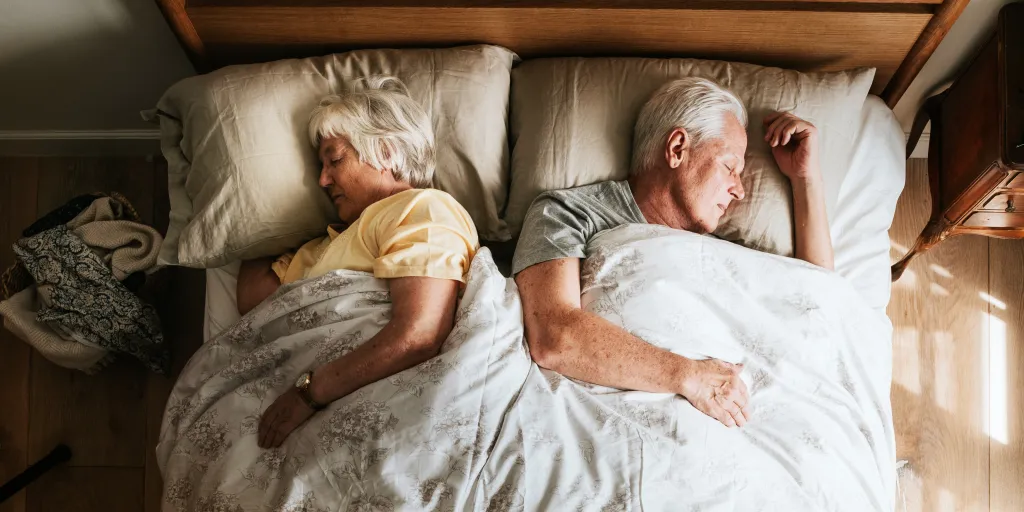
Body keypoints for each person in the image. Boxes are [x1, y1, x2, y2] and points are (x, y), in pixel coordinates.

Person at [512, 77, 833, 429]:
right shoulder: (569, 213)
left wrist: (806, 178)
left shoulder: (719, 254)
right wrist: (688, 375)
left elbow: (817, 306)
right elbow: (553, 335)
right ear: (678, 148)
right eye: (730, 167)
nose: (740, 191)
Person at [236, 76, 480, 449]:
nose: (322, 180)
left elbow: (420, 335)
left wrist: (308, 394)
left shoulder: (421, 207)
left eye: (334, 159)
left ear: (385, 151)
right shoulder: (319, 245)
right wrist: (257, 210)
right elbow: (253, 304)